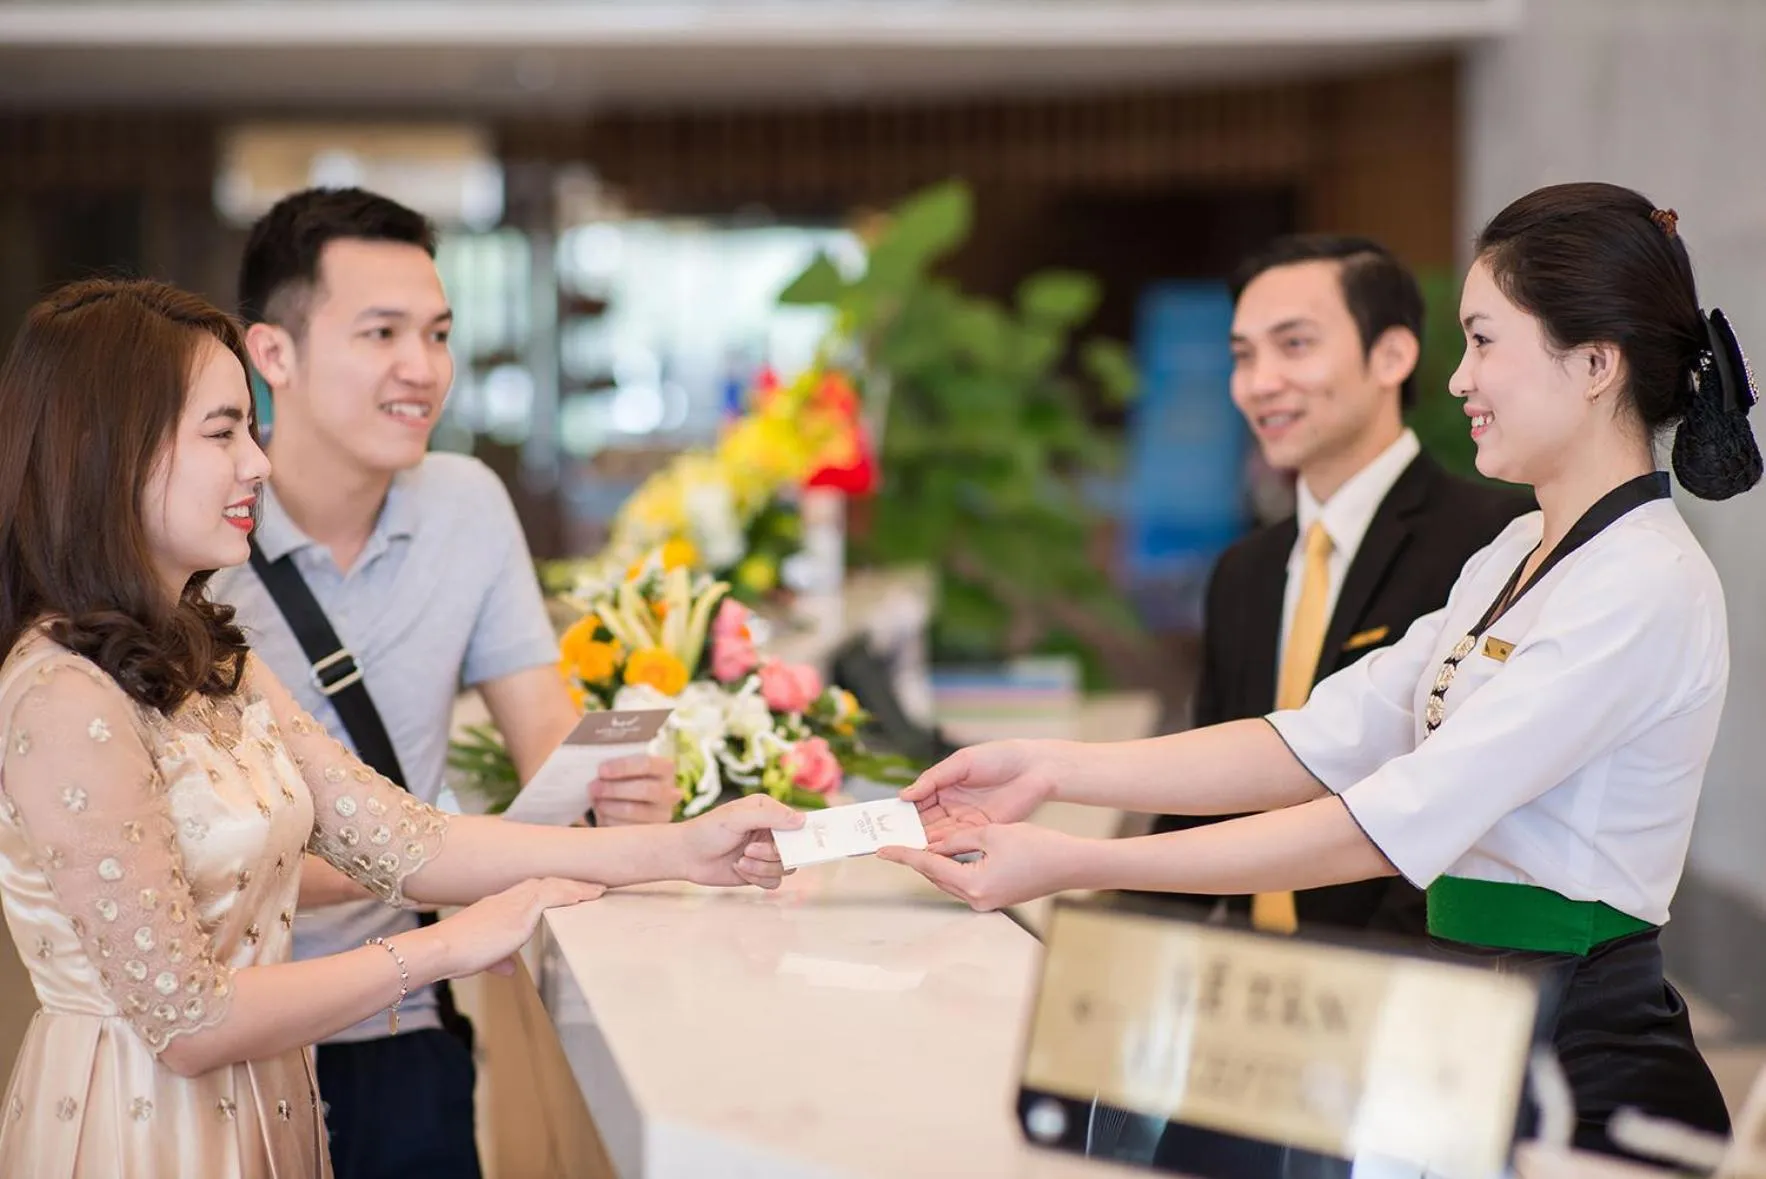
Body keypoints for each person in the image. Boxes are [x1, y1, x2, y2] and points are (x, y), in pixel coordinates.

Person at [881, 182, 1761, 1160]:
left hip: (1579, 1056)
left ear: (1594, 363)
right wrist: (1048, 768)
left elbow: (1394, 818)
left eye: (1481, 341)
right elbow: (1320, 735)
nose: (1458, 379)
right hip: (1471, 1021)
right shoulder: (1514, 551)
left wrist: (1080, 862)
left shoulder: (1641, 582)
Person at [0, 278, 797, 1179]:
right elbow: (189, 1023)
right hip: (140, 1134)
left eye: (249, 431)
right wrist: (451, 943)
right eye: (222, 432)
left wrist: (688, 849)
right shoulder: (61, 693)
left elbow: (411, 842)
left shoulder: (216, 660)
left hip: (264, 1101)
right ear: (105, 452)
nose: (258, 465)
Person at [210, 187, 680, 1179]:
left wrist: (616, 799)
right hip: (223, 1038)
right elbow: (194, 863)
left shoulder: (466, 505)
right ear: (274, 355)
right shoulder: (194, 533)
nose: (421, 370)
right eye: (380, 333)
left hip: (399, 1016)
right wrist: (460, 860)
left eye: (437, 333)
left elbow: (543, 742)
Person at [1150, 234, 1529, 938]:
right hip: (1247, 974)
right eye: (1242, 354)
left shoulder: (1496, 543)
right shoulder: (1244, 571)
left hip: (1397, 986)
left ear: (1392, 354)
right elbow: (1204, 794)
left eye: (1294, 345)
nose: (1260, 381)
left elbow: (1471, 816)